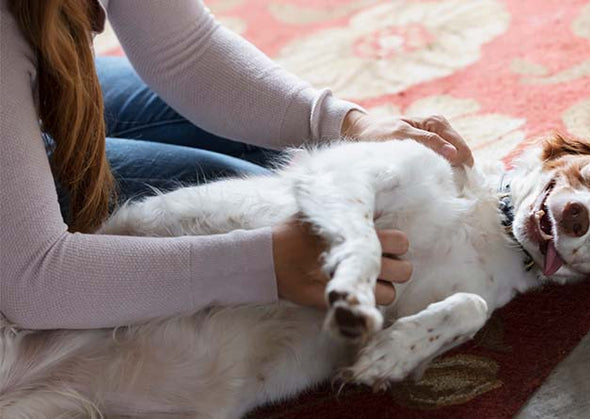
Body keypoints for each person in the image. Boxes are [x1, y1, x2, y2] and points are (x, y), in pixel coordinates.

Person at [0, 0, 473, 330]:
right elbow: (35, 280)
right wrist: (267, 263)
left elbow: (188, 52)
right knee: (251, 206)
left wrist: (350, 125)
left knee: (296, 165)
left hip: (30, 48)